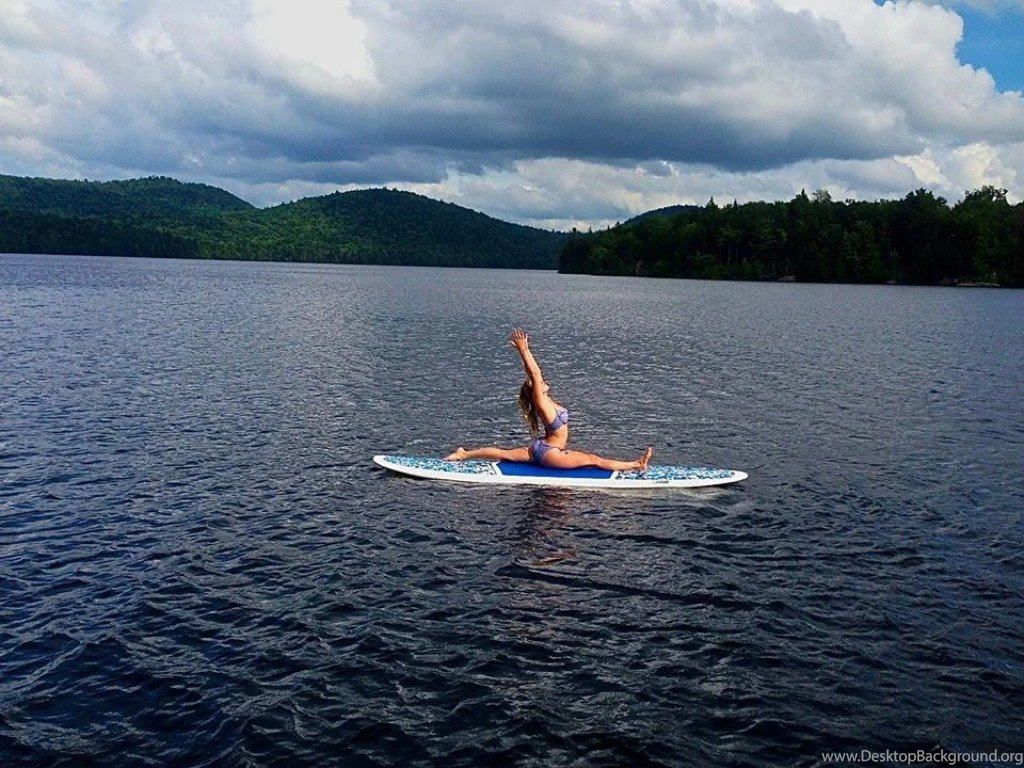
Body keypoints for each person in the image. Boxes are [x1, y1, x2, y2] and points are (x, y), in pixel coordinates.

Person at [444, 329, 653, 471]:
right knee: (593, 460)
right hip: (550, 453)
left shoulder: (545, 399)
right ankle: (636, 465)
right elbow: (535, 375)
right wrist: (524, 350)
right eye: (539, 383)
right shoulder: (541, 402)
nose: (544, 381)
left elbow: (533, 376)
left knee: (502, 453)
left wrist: (526, 359)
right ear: (535, 389)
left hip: (541, 448)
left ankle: (463, 454)